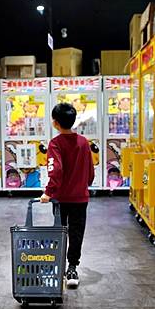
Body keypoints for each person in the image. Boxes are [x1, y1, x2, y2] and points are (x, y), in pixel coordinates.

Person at [40, 103, 95, 288]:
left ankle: (58, 266)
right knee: (76, 232)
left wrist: (48, 192)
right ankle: (72, 268)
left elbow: (55, 170)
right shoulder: (83, 142)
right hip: (81, 198)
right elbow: (90, 172)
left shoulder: (55, 144)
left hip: (61, 199)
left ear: (55, 123)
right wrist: (83, 186)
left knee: (60, 231)